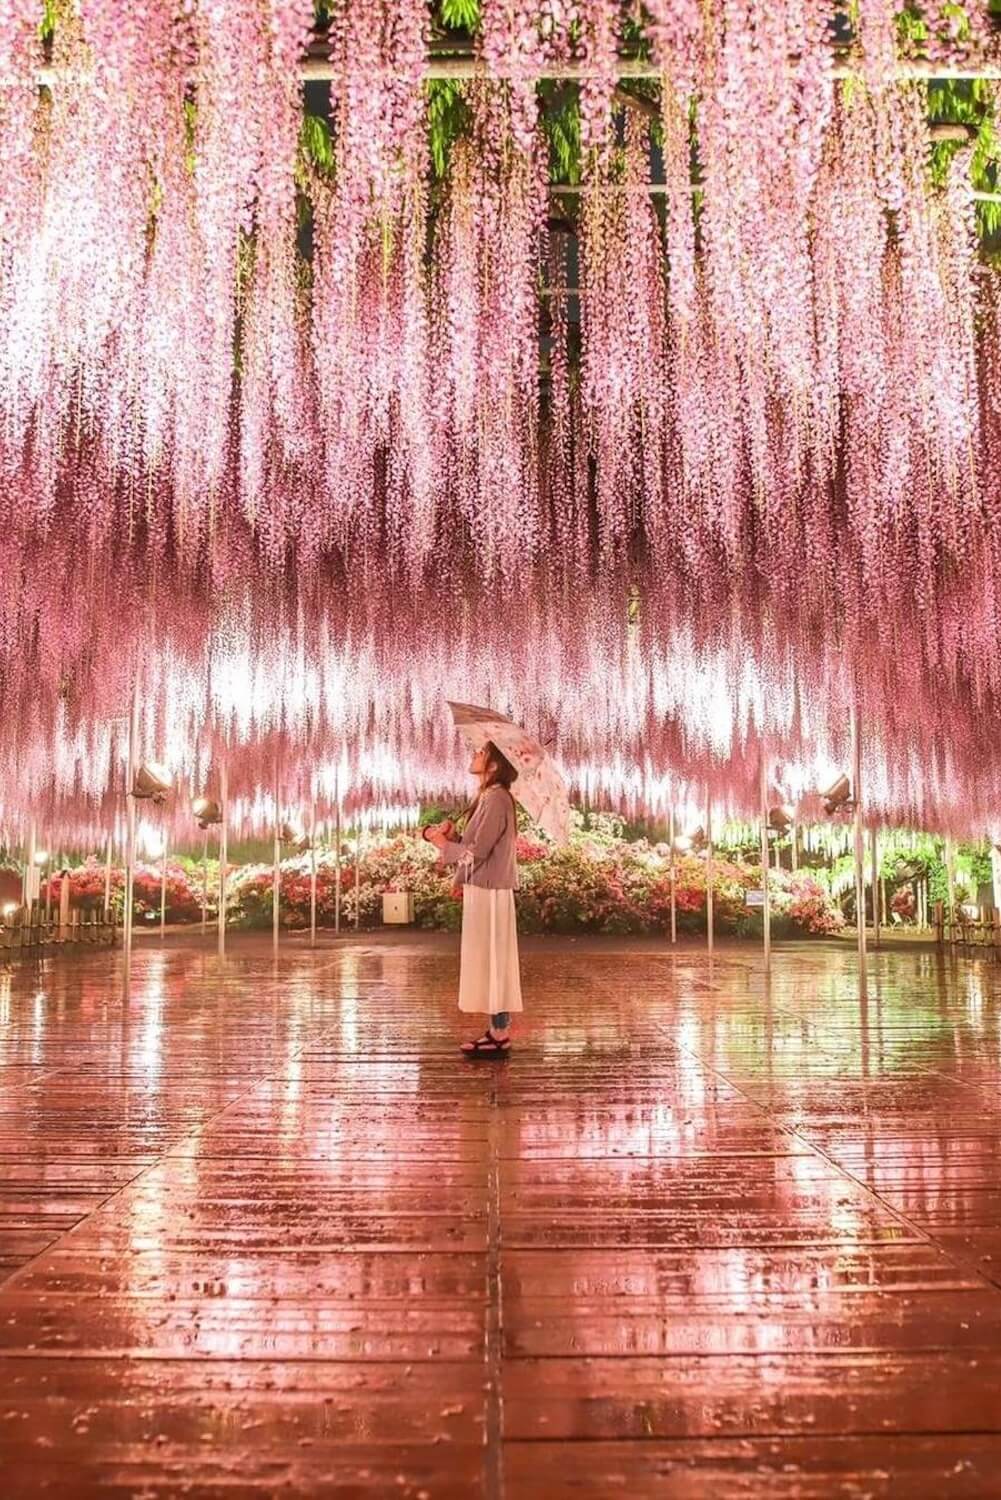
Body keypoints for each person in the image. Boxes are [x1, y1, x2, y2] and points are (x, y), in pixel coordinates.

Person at [424, 741, 523, 1056]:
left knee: (493, 960)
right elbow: (474, 847)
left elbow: (477, 852)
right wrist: (452, 841)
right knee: (489, 960)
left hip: (491, 891)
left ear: (494, 765)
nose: (474, 754)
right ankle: (497, 1030)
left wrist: (442, 843)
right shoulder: (489, 798)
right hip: (485, 887)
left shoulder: (496, 799)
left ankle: (500, 1033)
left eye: (481, 752)